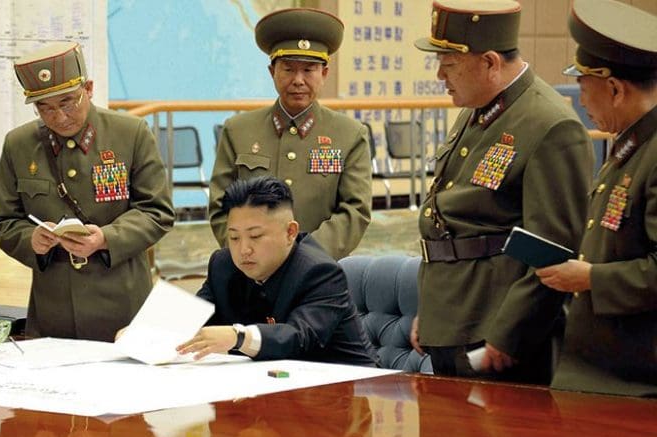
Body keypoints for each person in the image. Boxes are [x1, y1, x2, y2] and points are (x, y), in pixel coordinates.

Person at [411, 0, 594, 383]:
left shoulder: (548, 124)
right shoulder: (479, 107)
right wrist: (430, 313)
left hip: (492, 334)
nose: (440, 76)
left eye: (449, 65)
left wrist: (510, 334)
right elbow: (449, 225)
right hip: (451, 319)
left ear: (491, 63)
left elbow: (553, 248)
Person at [0, 42, 175, 342]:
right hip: (53, 310)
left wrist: (105, 238)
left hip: (122, 303)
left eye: (68, 102)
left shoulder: (130, 134)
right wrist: (31, 240)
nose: (59, 117)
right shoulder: (19, 144)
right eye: (45, 107)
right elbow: (4, 221)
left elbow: (157, 212)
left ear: (88, 89)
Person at [535, 0, 657, 397]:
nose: (581, 103)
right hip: (598, 369)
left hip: (634, 380)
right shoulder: (629, 145)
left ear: (615, 88)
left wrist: (590, 278)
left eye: (584, 88)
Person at [208, 8, 372, 260]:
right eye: (288, 69)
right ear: (272, 71)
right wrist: (248, 252)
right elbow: (220, 206)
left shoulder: (349, 135)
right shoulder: (238, 130)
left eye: (309, 70)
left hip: (318, 272)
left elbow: (355, 211)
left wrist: (304, 258)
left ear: (324, 74)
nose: (298, 80)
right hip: (249, 270)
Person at [178, 176, 376, 366]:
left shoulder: (321, 273)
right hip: (268, 384)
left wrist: (238, 337)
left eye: (255, 236)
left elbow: (298, 338)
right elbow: (189, 322)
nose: (243, 250)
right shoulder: (223, 265)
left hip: (353, 388)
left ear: (290, 232)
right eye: (234, 238)